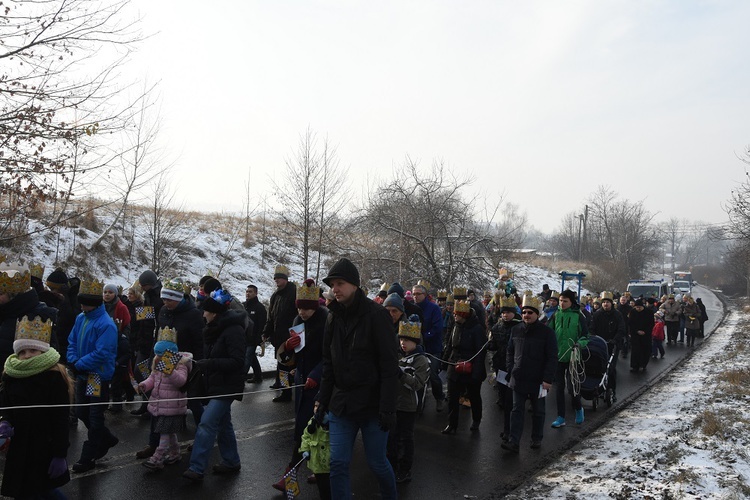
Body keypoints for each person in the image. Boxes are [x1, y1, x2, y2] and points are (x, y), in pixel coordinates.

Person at [316, 257, 399, 500]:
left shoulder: (377, 316)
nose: (335, 289)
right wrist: (322, 401)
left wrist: (387, 407)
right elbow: (328, 362)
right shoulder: (332, 316)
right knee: (338, 463)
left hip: (373, 406)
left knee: (376, 462)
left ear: (354, 284)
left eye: (340, 283)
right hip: (342, 404)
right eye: (332, 284)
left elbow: (388, 365)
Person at [0, 315, 72, 498]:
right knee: (22, 491)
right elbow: (7, 406)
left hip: (44, 447)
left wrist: (59, 453)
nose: (27, 356)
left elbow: (60, 419)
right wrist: (5, 422)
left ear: (43, 351)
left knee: (42, 491)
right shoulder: (11, 375)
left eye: (33, 350)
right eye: (22, 352)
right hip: (19, 447)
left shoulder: (54, 377)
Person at [271, 279, 331, 497]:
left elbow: (331, 356)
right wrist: (287, 347)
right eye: (299, 307)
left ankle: (296, 473)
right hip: (302, 383)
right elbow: (291, 358)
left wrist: (317, 375)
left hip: (322, 383)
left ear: (315, 306)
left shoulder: (327, 321)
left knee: (316, 431)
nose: (302, 312)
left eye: (306, 308)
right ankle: (311, 470)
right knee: (302, 429)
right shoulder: (297, 319)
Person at [183, 288, 246, 482]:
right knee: (223, 424)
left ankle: (196, 467)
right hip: (216, 383)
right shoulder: (213, 329)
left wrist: (208, 364)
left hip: (227, 385)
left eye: (206, 311)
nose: (203, 314)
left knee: (207, 423)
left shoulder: (234, 330)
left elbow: (237, 362)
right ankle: (231, 460)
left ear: (215, 313)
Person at [67, 278, 119, 473]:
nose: (82, 305)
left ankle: (88, 456)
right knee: (81, 412)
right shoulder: (81, 318)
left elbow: (102, 352)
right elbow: (72, 340)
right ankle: (107, 438)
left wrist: (80, 364)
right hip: (82, 374)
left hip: (96, 377)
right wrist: (73, 360)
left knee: (95, 416)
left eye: (86, 302)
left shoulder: (106, 324)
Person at [502, 291, 557, 453]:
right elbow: (510, 351)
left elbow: (552, 357)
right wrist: (511, 368)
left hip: (538, 379)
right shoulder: (516, 329)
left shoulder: (547, 333)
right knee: (516, 410)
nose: (526, 315)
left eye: (530, 312)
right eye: (524, 312)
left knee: (538, 411)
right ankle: (514, 441)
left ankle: (536, 438)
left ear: (537, 314)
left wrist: (548, 379)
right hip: (518, 377)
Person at [139, 328, 192, 470]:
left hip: (173, 406)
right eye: (157, 355)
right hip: (159, 404)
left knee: (164, 433)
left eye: (161, 355)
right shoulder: (157, 362)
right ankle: (175, 453)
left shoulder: (181, 364)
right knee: (169, 432)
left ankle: (157, 458)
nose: (158, 358)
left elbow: (181, 381)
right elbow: (153, 377)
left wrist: (169, 371)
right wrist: (144, 385)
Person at [387, 315, 429, 484]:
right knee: (392, 437)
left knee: (406, 438)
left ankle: (405, 469)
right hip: (393, 403)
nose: (403, 343)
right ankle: (391, 466)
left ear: (416, 341)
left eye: (407, 340)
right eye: (401, 339)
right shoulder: (397, 355)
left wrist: (400, 374)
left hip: (408, 406)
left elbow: (417, 384)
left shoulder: (421, 360)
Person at [441, 299, 487, 434]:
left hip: (471, 366)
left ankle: (476, 419)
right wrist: (445, 362)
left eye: (457, 314)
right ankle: (452, 424)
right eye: (454, 314)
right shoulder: (456, 325)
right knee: (452, 397)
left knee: (474, 396)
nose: (455, 316)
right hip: (454, 364)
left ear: (464, 315)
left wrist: (476, 373)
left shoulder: (477, 329)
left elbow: (480, 352)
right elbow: (450, 345)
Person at [548, 289, 589, 428]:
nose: (562, 303)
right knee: (559, 387)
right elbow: (549, 332)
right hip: (558, 356)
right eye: (560, 300)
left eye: (565, 301)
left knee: (573, 387)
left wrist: (579, 344)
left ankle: (578, 409)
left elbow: (585, 336)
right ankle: (561, 417)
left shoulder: (579, 316)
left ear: (572, 302)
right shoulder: (555, 315)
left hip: (573, 356)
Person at [488, 292, 521, 443]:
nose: (505, 315)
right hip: (501, 365)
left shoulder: (520, 327)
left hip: (515, 367)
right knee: (504, 400)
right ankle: (506, 429)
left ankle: (512, 431)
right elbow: (494, 345)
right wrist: (489, 344)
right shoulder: (497, 327)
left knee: (513, 401)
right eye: (503, 312)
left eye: (508, 312)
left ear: (513, 313)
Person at [262, 265, 297, 403]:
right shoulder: (275, 296)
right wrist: (266, 332)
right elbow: (271, 317)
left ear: (285, 279)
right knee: (282, 366)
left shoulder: (294, 292)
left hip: (292, 338)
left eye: (279, 278)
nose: (276, 280)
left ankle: (297, 389)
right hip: (279, 338)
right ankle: (285, 391)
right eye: (275, 278)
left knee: (291, 366)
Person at [130, 269, 163, 417]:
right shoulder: (148, 298)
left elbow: (152, 323)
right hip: (144, 341)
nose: (141, 288)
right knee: (140, 372)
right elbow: (144, 322)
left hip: (152, 343)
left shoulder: (158, 299)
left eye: (144, 285)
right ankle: (146, 402)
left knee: (145, 373)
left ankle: (150, 403)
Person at [411, 283, 445, 412]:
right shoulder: (412, 308)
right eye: (414, 294)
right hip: (417, 348)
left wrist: (423, 337)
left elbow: (437, 328)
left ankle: (439, 397)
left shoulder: (434, 308)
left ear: (424, 295)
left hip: (432, 348)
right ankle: (417, 402)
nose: (415, 296)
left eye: (418, 294)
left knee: (433, 375)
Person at [589, 291, 625, 401]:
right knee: (597, 366)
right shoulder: (597, 314)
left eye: (607, 302)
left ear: (611, 303)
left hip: (612, 345)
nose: (605, 304)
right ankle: (597, 387)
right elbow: (592, 328)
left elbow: (621, 329)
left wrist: (615, 340)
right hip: (599, 345)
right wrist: (593, 337)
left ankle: (611, 390)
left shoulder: (617, 314)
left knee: (611, 368)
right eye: (604, 302)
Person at [102, 283, 131, 413]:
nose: (107, 294)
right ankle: (105, 401)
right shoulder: (100, 307)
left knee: (118, 377)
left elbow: (126, 325)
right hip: (104, 342)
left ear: (115, 294)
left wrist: (123, 338)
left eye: (110, 292)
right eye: (105, 292)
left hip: (119, 343)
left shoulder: (121, 307)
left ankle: (118, 402)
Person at [242, 284, 266, 383]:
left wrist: (259, 338)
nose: (248, 294)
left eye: (250, 292)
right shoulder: (243, 306)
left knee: (247, 359)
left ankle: (239, 380)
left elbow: (261, 324)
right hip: (243, 337)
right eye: (247, 291)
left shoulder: (260, 308)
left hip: (252, 338)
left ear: (256, 293)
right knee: (251, 357)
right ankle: (258, 376)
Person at [628, 299, 654, 372]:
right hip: (635, 334)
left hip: (646, 335)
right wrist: (636, 331)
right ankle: (634, 366)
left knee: (645, 350)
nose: (638, 309)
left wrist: (645, 331)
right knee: (635, 350)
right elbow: (630, 323)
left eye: (639, 307)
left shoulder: (649, 312)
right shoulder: (633, 312)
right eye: (636, 307)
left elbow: (651, 323)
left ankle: (643, 364)